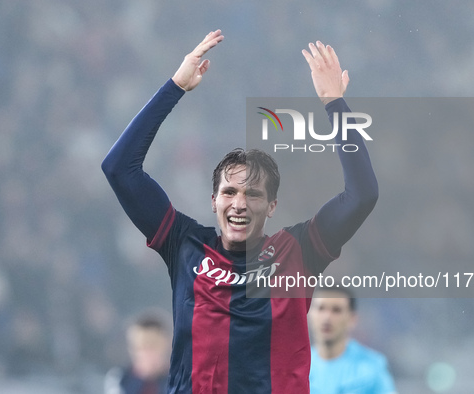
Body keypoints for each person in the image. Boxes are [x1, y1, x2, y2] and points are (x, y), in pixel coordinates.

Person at [102, 29, 378, 393]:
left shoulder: (297, 251)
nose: (240, 203)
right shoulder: (184, 244)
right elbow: (119, 168)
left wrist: (334, 103)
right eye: (229, 192)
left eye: (253, 194)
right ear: (213, 201)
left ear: (272, 206)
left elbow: (362, 195)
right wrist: (174, 87)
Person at [309, 288, 397, 394]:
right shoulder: (298, 367)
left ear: (352, 318)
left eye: (336, 310)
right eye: (321, 309)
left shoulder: (371, 366)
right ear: (309, 314)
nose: (327, 317)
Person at [105, 312, 171, 394]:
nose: (147, 353)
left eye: (153, 346)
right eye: (141, 347)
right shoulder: (119, 379)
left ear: (166, 346)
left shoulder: (179, 380)